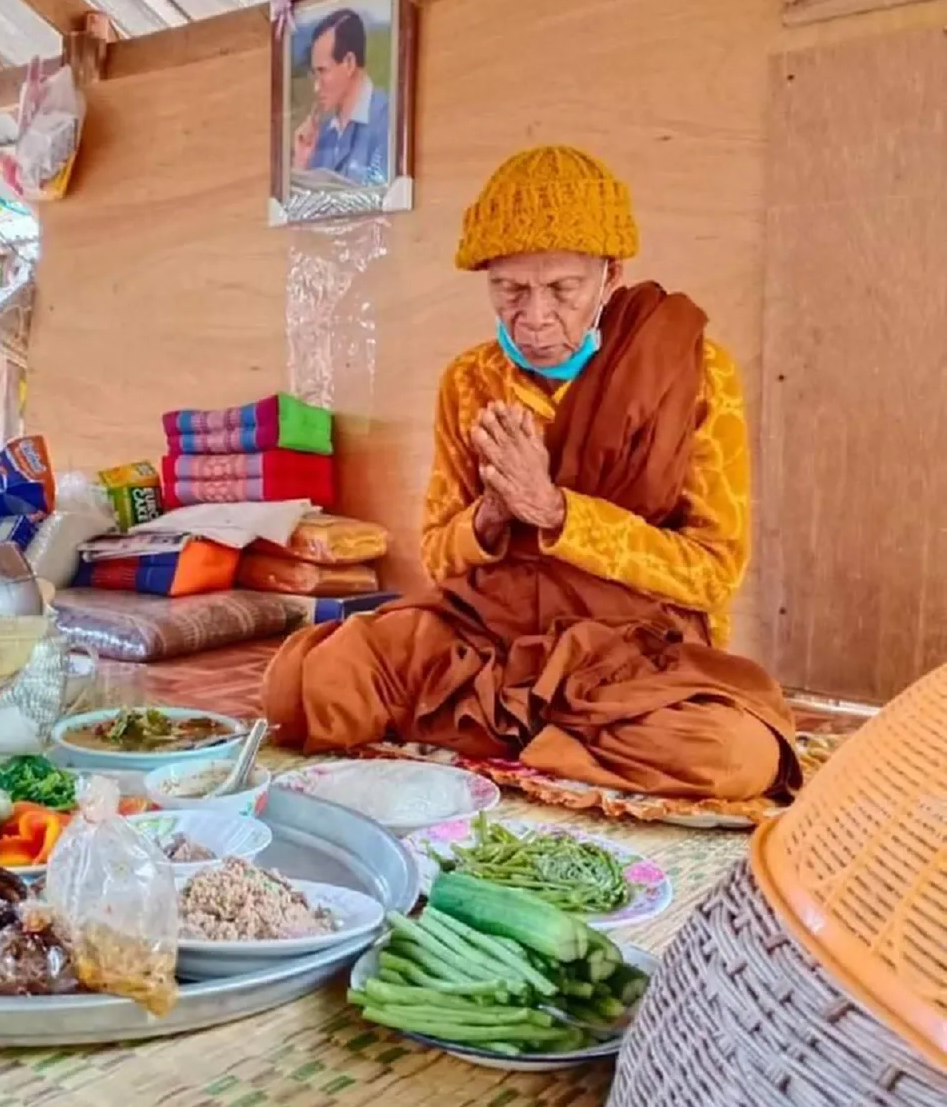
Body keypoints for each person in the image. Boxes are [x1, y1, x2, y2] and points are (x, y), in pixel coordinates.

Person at [265, 145, 799, 802]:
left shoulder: (694, 373)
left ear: (610, 277)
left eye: (562, 290)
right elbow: (436, 555)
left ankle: (507, 729)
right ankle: (550, 734)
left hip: (626, 652)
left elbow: (713, 570)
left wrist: (558, 513)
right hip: (488, 634)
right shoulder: (471, 381)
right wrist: (492, 514)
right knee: (306, 684)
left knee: (733, 756)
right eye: (510, 290)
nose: (536, 316)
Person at [291, 8, 390, 186]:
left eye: (323, 71)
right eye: (314, 74)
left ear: (350, 63)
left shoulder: (389, 122)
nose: (316, 87)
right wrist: (301, 164)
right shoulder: (320, 136)